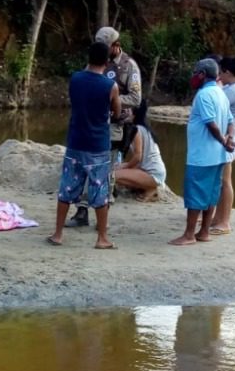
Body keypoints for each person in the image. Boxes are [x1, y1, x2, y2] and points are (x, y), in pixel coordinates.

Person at [48, 40, 121, 249]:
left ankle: (58, 234)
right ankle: (102, 238)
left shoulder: (76, 79)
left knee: (67, 188)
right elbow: (116, 112)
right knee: (100, 192)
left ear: (88, 58)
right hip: (98, 145)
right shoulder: (110, 86)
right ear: (106, 61)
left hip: (75, 142)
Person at [67, 25, 141, 228]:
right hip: (91, 125)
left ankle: (103, 218)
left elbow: (136, 98)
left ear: (116, 45)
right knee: (84, 169)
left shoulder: (129, 66)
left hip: (114, 127)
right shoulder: (94, 62)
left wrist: (112, 100)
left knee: (105, 173)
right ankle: (81, 212)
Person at [170, 57, 235, 246]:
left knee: (195, 195)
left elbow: (210, 123)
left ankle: (189, 234)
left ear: (202, 75)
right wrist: (229, 137)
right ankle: (204, 231)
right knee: (211, 195)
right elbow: (230, 122)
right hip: (218, 156)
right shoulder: (221, 93)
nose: (193, 77)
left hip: (202, 155)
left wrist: (224, 140)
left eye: (195, 73)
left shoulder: (204, 95)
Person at [210, 53, 235, 234]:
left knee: (225, 181)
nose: (219, 77)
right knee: (221, 181)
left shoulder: (233, 90)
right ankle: (218, 218)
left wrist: (215, 83)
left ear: (226, 72)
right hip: (226, 139)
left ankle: (224, 222)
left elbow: (216, 100)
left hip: (229, 140)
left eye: (220, 73)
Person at [112, 106, 166, 198]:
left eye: (128, 110)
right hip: (152, 172)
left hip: (153, 174)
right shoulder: (144, 128)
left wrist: (125, 166)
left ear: (134, 114)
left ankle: (150, 188)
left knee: (113, 175)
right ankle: (146, 187)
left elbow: (138, 157)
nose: (124, 112)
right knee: (117, 170)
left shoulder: (137, 129)